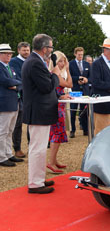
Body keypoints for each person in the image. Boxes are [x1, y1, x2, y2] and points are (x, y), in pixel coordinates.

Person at [22, 33, 71, 194]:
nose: (51, 50)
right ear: (44, 49)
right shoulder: (35, 62)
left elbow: (44, 84)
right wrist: (55, 74)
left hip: (40, 111)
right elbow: (47, 87)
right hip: (38, 111)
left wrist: (52, 76)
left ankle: (39, 179)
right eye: (50, 47)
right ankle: (35, 184)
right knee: (37, 148)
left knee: (40, 147)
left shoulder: (36, 61)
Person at [47, 51, 72, 173]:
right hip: (55, 107)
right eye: (60, 61)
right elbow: (69, 84)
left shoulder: (56, 74)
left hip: (59, 105)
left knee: (58, 133)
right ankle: (51, 162)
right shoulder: (55, 74)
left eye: (64, 61)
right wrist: (68, 70)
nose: (62, 64)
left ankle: (54, 160)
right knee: (57, 134)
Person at [0, 44, 23, 167]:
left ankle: (8, 153)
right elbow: (5, 81)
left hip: (14, 101)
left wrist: (15, 85)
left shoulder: (10, 67)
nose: (9, 55)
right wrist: (16, 84)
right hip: (4, 103)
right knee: (3, 131)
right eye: (6, 53)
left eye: (10, 53)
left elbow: (20, 81)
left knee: (10, 130)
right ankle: (1, 156)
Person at [9, 42, 30, 158]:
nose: (26, 52)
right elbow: (17, 79)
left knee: (31, 122)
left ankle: (31, 146)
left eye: (28, 50)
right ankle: (17, 148)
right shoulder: (14, 62)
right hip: (19, 96)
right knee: (17, 124)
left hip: (30, 96)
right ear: (18, 50)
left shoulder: (30, 60)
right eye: (24, 50)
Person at [69, 47, 90, 138]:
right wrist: (77, 79)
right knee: (73, 111)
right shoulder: (70, 64)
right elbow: (69, 77)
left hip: (85, 90)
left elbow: (91, 77)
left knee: (84, 111)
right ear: (75, 54)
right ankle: (72, 130)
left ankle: (85, 129)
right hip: (74, 90)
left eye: (82, 54)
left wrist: (86, 80)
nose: (81, 56)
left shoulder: (87, 64)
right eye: (79, 54)